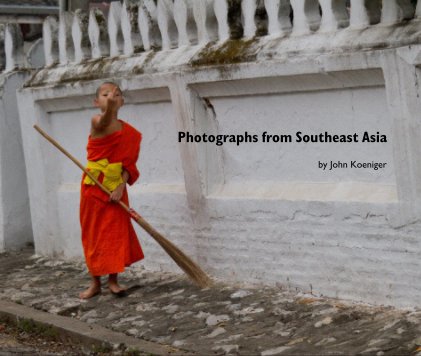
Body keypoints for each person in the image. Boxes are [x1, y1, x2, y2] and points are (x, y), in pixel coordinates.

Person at [79, 81, 144, 299]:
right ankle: (95, 282)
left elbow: (128, 165)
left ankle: (113, 281)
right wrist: (109, 106)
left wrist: (120, 185)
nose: (110, 97)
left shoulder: (130, 133)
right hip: (94, 186)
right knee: (94, 234)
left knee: (115, 233)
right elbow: (106, 120)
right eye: (105, 95)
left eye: (115, 95)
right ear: (96, 102)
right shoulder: (97, 121)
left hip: (116, 186)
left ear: (122, 102)